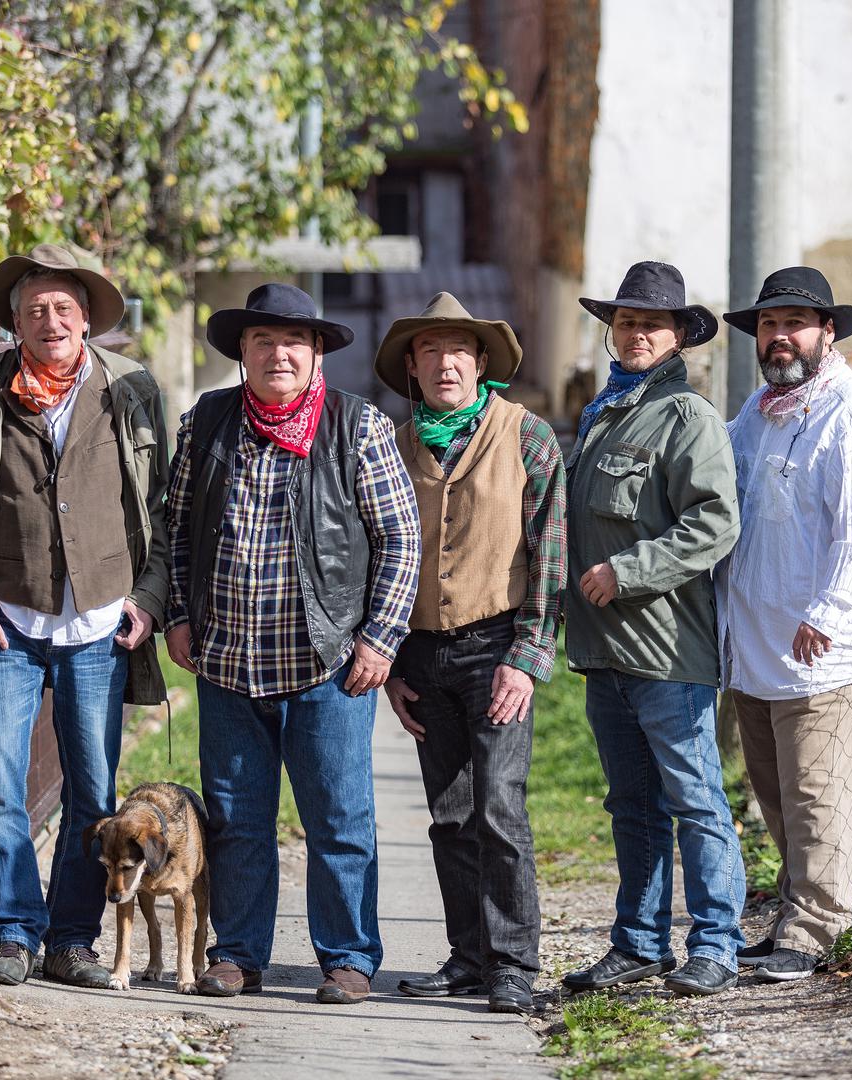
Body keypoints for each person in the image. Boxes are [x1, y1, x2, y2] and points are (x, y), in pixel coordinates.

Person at [0, 244, 170, 988]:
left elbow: (160, 512)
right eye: (35, 311)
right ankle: (14, 933)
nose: (50, 321)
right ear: (16, 323)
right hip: (8, 625)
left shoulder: (131, 390)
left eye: (63, 308)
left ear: (86, 317)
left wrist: (149, 599)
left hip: (98, 626)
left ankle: (71, 939)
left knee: (92, 791)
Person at [163, 283, 420, 1004]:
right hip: (228, 662)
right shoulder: (208, 423)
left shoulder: (356, 426)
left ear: (314, 356)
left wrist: (380, 638)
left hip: (329, 664)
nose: (278, 354)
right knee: (238, 822)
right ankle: (237, 955)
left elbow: (401, 538)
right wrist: (178, 614)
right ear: (242, 352)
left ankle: (347, 959)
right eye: (263, 342)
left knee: (339, 821)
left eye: (293, 343)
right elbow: (176, 530)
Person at [373, 293, 567, 1015]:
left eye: (459, 350)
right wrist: (390, 662)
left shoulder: (527, 436)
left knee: (498, 808)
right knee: (449, 814)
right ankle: (468, 956)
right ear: (412, 368)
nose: (445, 362)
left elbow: (550, 552)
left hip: (496, 647)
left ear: (481, 363)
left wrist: (527, 656)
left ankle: (513, 963)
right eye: (430, 351)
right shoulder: (392, 443)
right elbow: (373, 553)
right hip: (421, 652)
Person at [560, 261, 748, 998]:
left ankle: (716, 946)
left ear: (678, 338)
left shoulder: (686, 418)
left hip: (668, 654)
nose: (636, 333)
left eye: (652, 324)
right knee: (631, 806)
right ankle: (638, 944)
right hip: (606, 653)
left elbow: (714, 522)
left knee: (695, 802)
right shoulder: (605, 412)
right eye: (627, 320)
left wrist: (629, 572)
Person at [718, 266, 852, 982]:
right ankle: (793, 919)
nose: (779, 336)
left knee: (818, 794)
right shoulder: (757, 414)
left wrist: (827, 613)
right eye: (769, 324)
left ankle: (815, 928)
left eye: (795, 322)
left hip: (832, 650)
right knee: (779, 797)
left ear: (827, 332)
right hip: (759, 645)